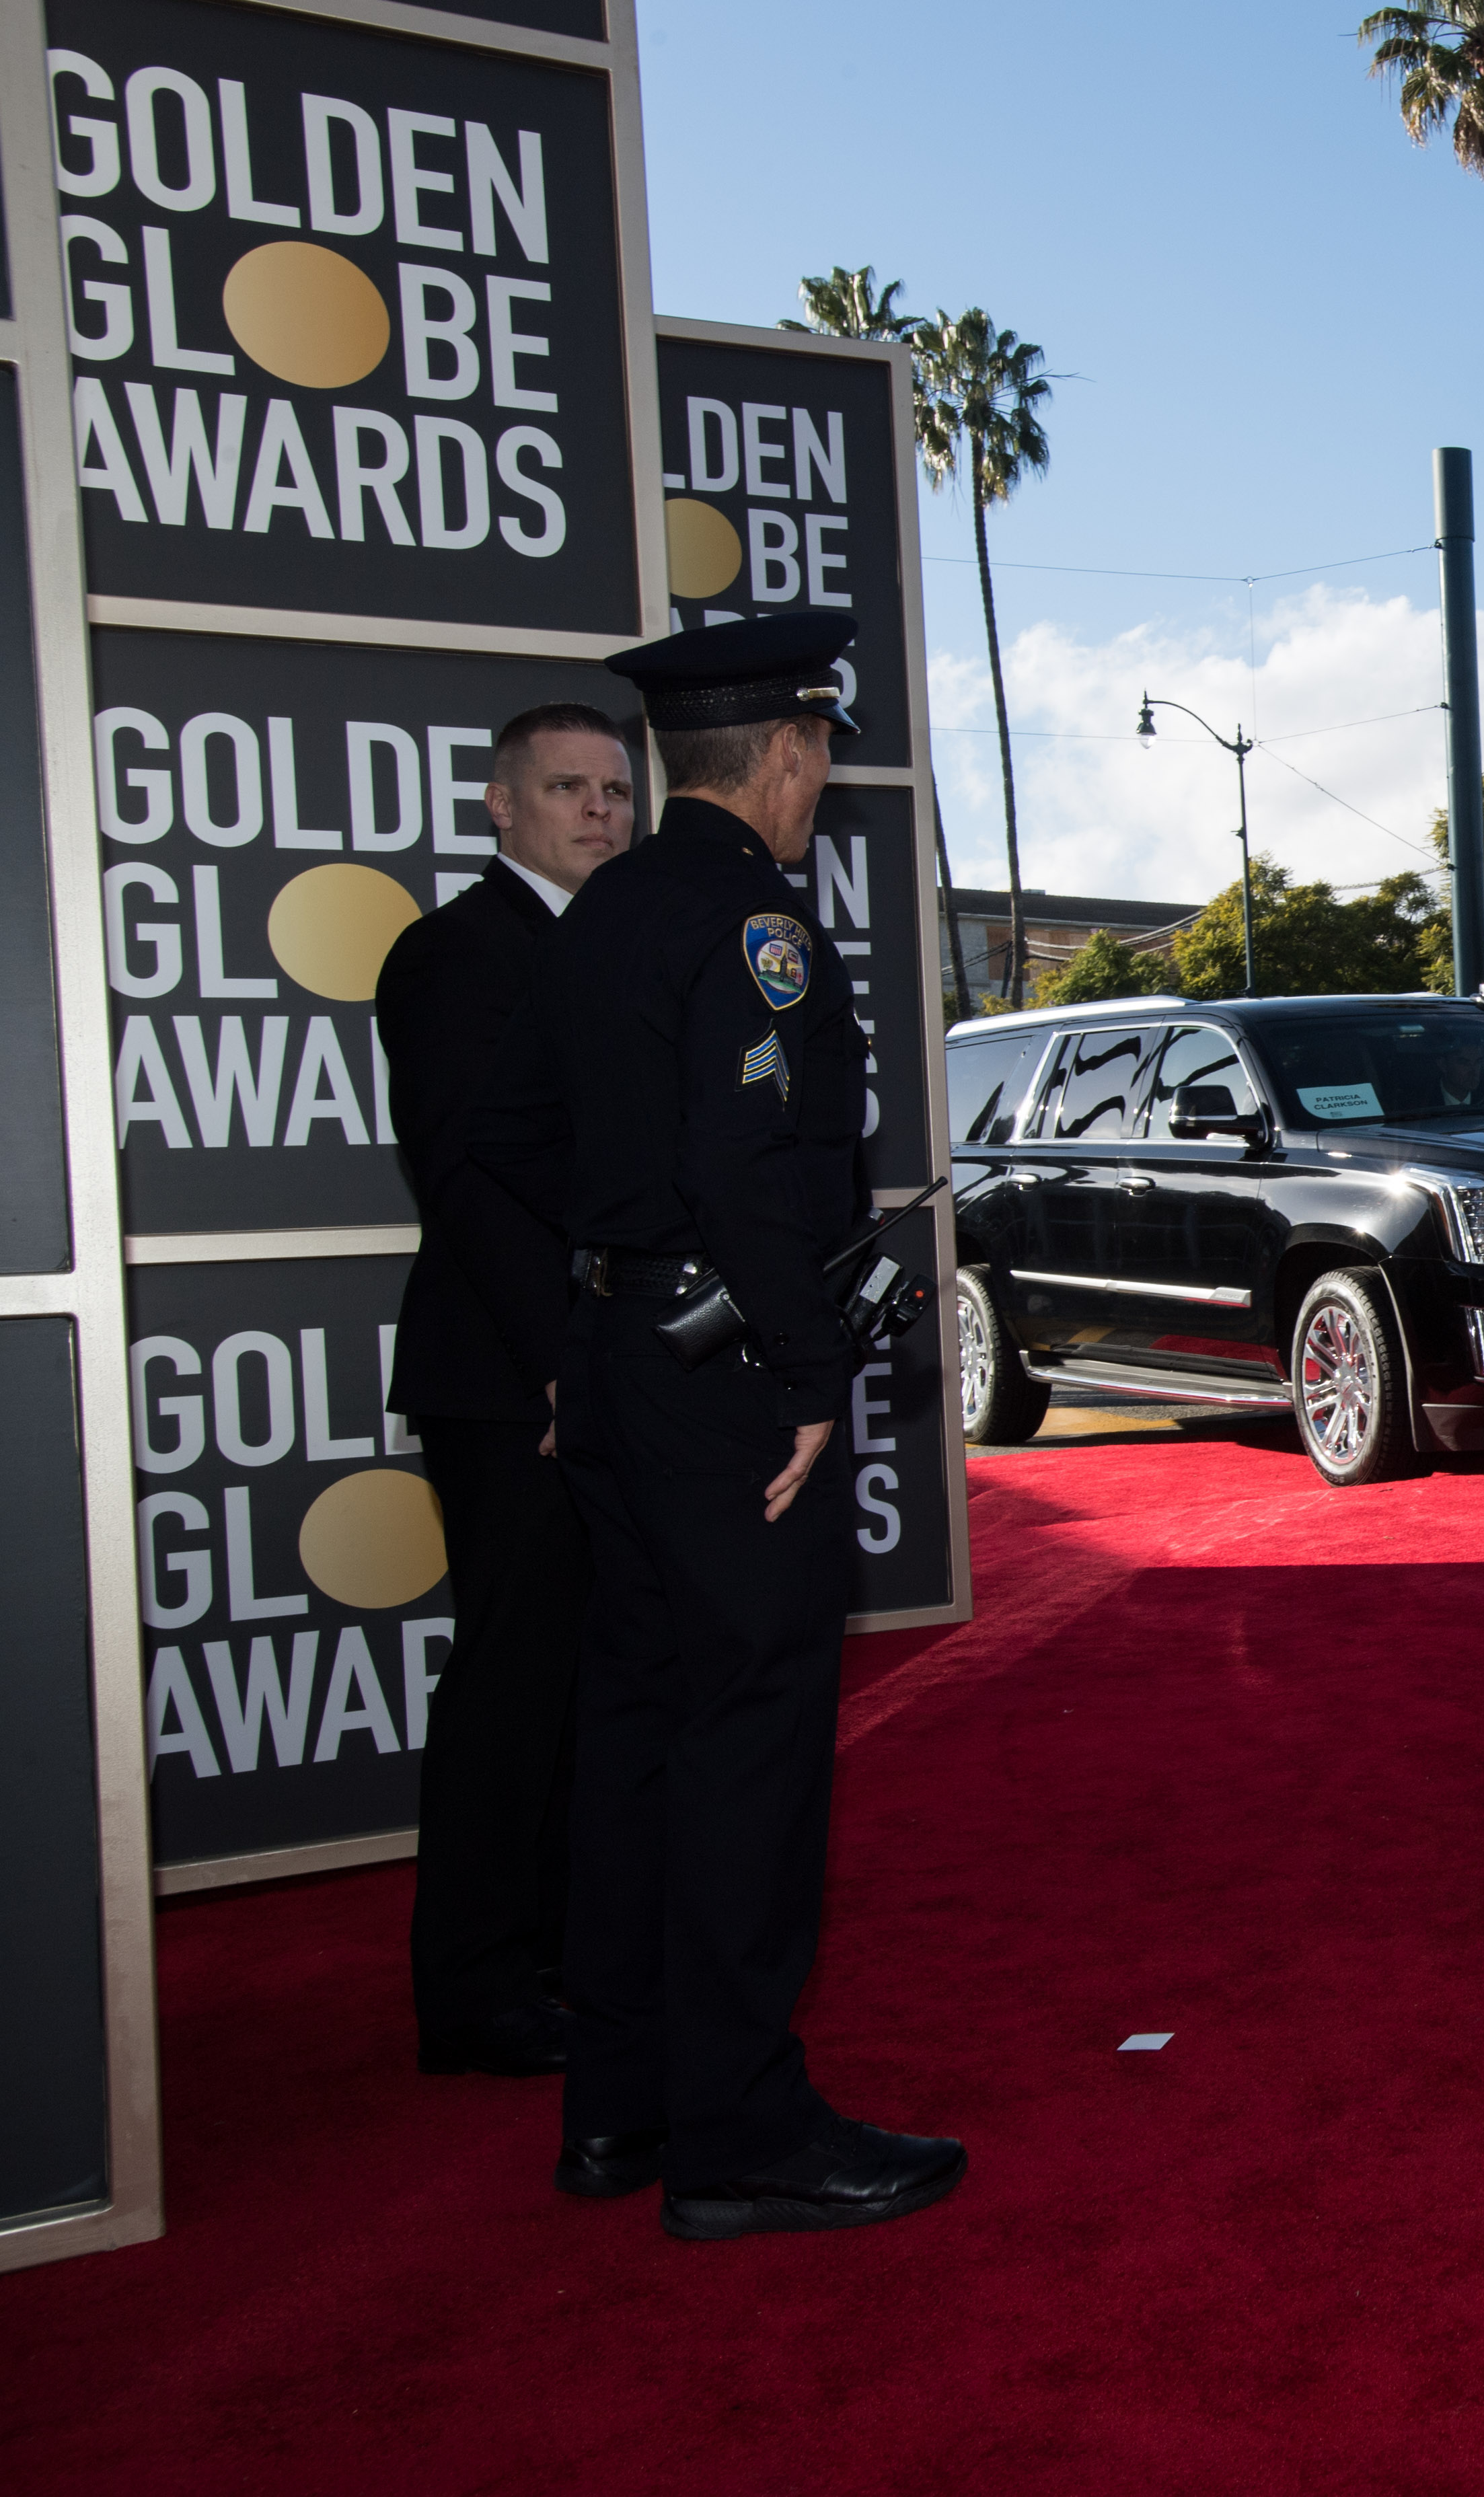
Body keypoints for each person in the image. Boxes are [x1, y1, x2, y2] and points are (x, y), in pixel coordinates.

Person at [472, 613, 963, 2241]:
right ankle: (743, 2131)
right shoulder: (756, 923)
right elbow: (755, 1174)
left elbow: (530, 1144)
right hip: (724, 1377)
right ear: (782, 753)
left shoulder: (600, 910)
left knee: (629, 1739)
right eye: (819, 752)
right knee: (748, 1747)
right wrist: (817, 1379)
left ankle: (617, 2110)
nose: (820, 779)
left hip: (617, 1352)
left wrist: (586, 1334)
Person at [377, 703, 635, 2079]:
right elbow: (470, 1182)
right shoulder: (455, 954)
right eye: (568, 787)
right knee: (513, 1681)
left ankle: (556, 1950)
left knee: (592, 1681)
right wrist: (558, 1361)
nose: (600, 810)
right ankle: (472, 1988)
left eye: (614, 788)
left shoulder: (617, 951)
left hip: (602, 1372)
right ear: (499, 805)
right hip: (509, 1375)